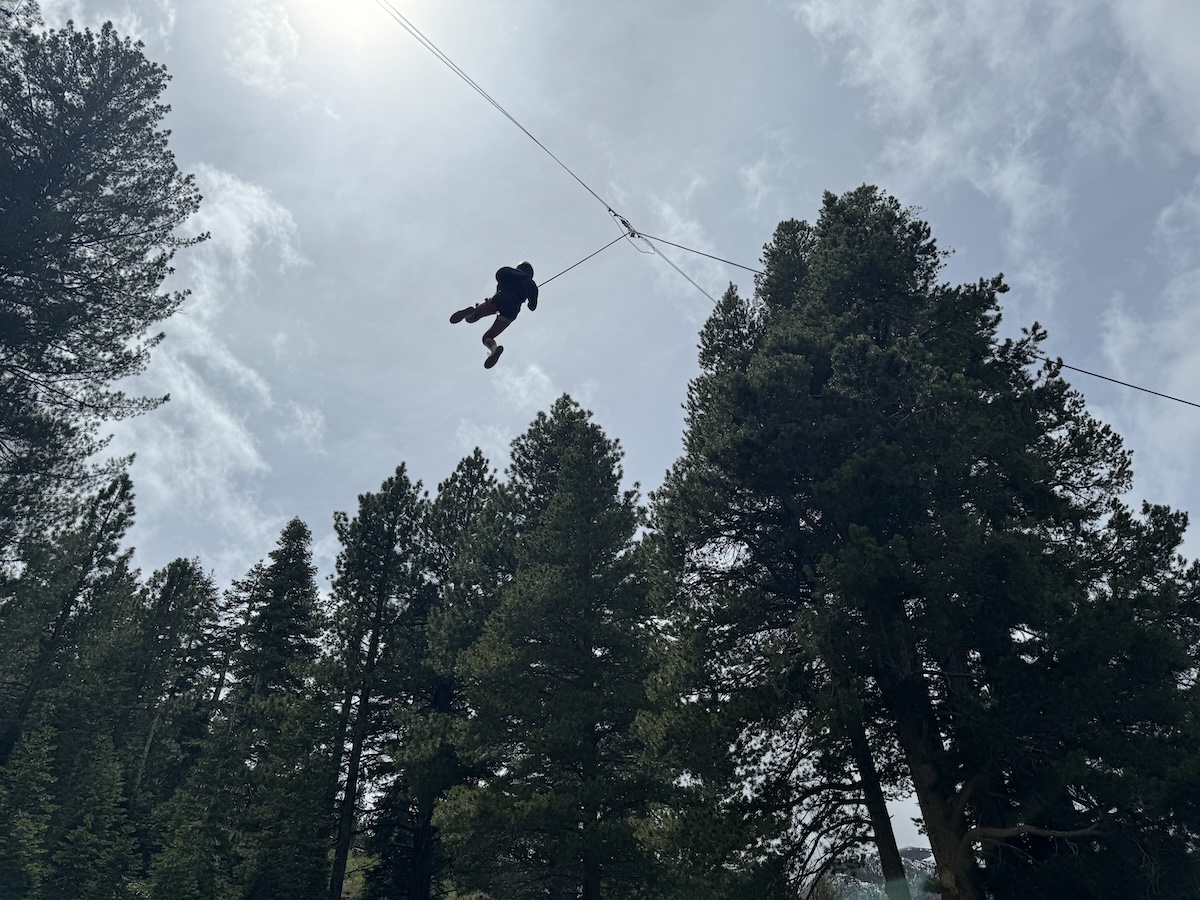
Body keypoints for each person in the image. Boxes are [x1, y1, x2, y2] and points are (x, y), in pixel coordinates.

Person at [449, 262, 539, 368]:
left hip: (500, 299)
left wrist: (501, 288)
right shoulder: (532, 285)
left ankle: (470, 312)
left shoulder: (510, 272)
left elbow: (500, 274)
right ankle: (494, 350)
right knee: (488, 337)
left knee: (471, 318)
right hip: (512, 311)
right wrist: (529, 296)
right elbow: (532, 307)